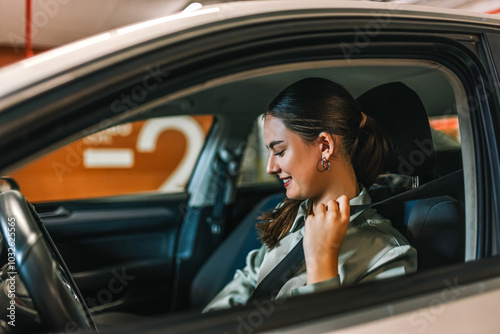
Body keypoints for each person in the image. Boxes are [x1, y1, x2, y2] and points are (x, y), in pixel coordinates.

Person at [203, 77, 417, 312]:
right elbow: (242, 288)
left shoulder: (388, 254)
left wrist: (322, 263)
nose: (270, 168)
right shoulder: (287, 216)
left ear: (325, 146)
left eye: (280, 151)